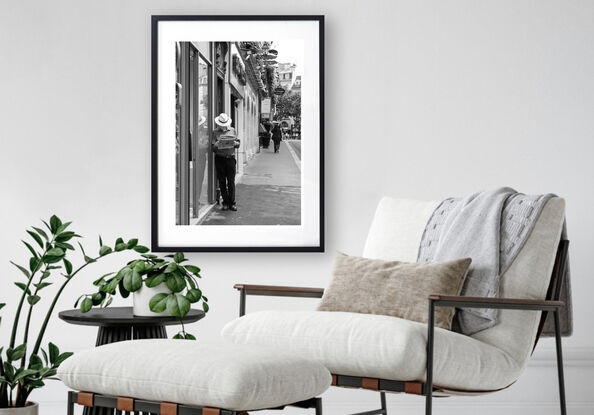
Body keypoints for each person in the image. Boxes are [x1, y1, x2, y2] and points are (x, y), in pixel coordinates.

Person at [212, 113, 240, 211]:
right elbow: (213, 149)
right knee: (222, 181)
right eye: (221, 124)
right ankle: (225, 202)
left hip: (230, 159)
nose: (222, 126)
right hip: (220, 159)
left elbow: (237, 144)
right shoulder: (215, 132)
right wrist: (216, 144)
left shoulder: (232, 130)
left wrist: (236, 143)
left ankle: (232, 202)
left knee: (231, 181)